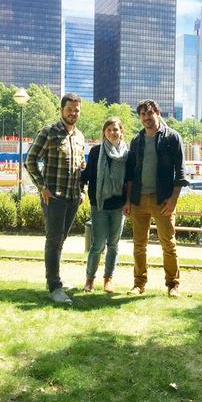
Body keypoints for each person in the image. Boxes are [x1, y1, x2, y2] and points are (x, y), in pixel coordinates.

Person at [24, 93, 85, 305]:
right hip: (54, 198)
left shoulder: (80, 137)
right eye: (69, 109)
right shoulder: (49, 132)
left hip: (72, 198)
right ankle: (54, 286)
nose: (73, 113)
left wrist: (82, 191)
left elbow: (81, 168)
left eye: (76, 110)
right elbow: (30, 160)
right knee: (53, 240)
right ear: (61, 110)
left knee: (60, 240)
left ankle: (55, 280)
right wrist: (42, 188)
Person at [124, 99, 188, 298]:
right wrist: (127, 201)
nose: (146, 118)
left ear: (157, 113)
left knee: (168, 243)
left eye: (149, 114)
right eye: (142, 115)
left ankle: (173, 284)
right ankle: (139, 284)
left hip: (163, 200)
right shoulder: (137, 141)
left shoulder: (172, 137)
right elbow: (130, 174)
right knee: (138, 244)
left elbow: (180, 172)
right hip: (138, 200)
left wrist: (173, 200)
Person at [80, 117, 128, 293]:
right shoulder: (96, 151)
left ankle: (108, 279)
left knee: (114, 245)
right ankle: (89, 279)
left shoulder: (126, 154)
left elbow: (129, 180)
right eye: (109, 130)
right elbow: (87, 175)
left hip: (118, 205)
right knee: (98, 244)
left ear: (121, 132)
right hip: (99, 205)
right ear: (104, 133)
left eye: (115, 129)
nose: (112, 133)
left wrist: (128, 202)